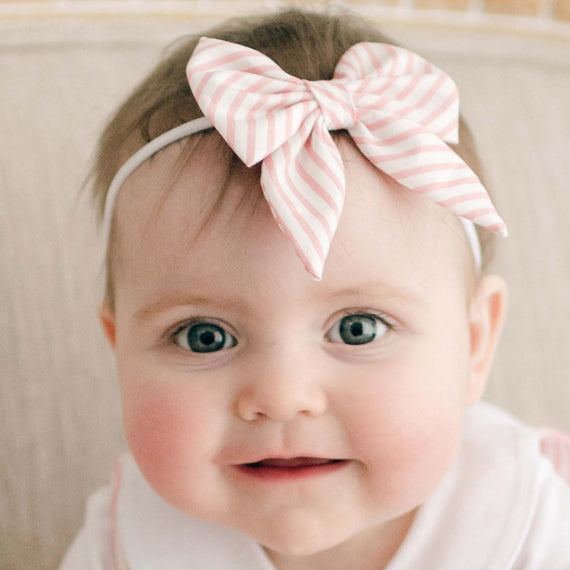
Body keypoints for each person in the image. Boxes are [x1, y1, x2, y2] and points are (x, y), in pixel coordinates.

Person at [60, 8, 570, 569]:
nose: (281, 395)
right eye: (203, 336)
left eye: (358, 328)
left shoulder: (534, 514)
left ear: (475, 344)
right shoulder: (127, 542)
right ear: (119, 351)